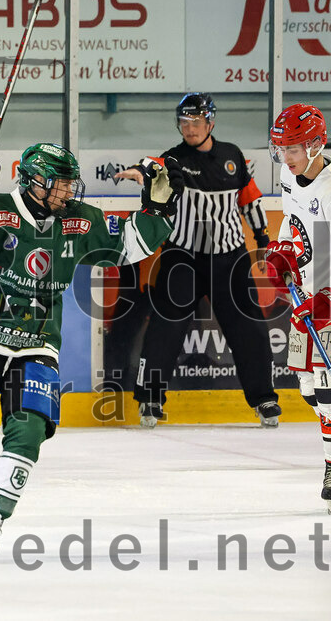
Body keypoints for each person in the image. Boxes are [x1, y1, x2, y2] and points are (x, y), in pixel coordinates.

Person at [0, 143, 181, 556]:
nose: (67, 193)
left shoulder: (80, 221)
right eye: (58, 185)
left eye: (69, 185)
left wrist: (157, 209)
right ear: (32, 181)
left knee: (29, 430)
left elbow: (129, 248)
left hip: (38, 339)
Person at [116, 92, 279, 428]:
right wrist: (135, 171)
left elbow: (249, 198)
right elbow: (151, 166)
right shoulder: (173, 158)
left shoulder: (232, 155)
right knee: (165, 327)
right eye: (183, 122)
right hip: (182, 257)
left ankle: (264, 398)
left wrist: (262, 240)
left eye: (195, 122)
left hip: (230, 257)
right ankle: (149, 399)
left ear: (211, 122)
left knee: (249, 327)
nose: (188, 128)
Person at [264, 103, 331, 512]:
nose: (283, 158)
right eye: (281, 149)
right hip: (308, 294)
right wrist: (282, 254)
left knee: (327, 390)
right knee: (307, 388)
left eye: (290, 149)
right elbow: (294, 224)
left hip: (326, 295)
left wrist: (326, 297)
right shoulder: (292, 175)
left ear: (315, 145)